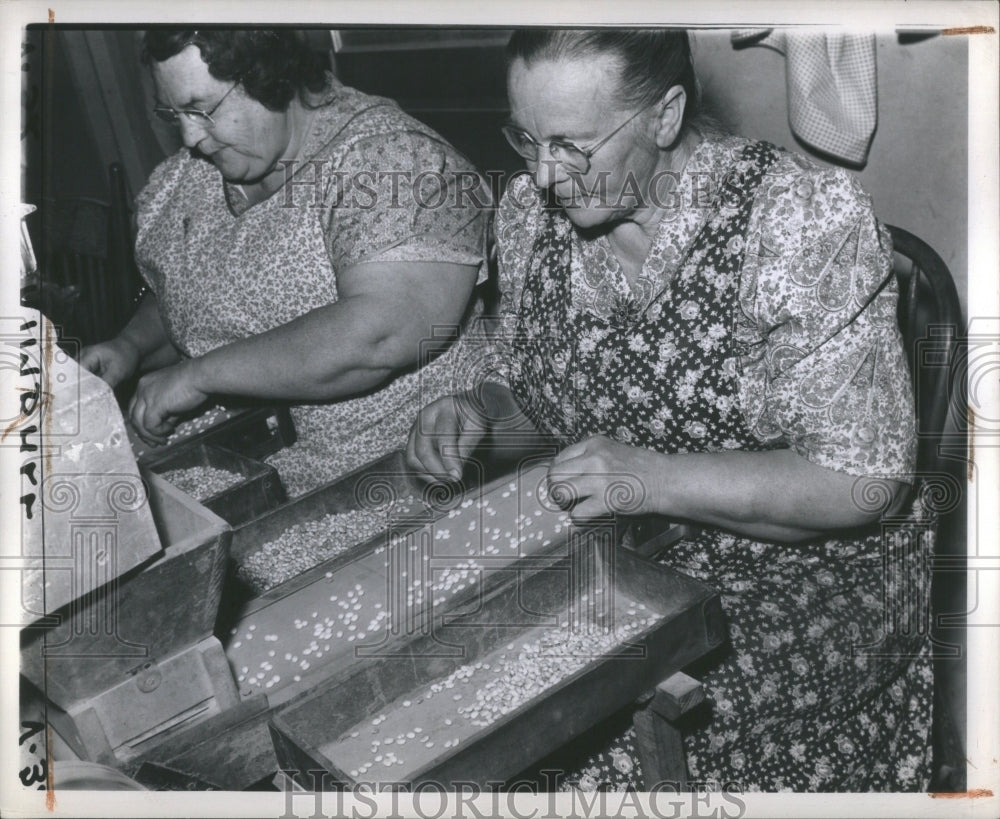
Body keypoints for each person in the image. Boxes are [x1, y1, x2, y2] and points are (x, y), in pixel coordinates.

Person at [407, 29, 933, 792]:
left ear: (664, 116)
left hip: (807, 575)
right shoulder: (530, 217)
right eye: (526, 138)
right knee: (450, 697)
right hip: (634, 551)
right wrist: (480, 412)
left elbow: (861, 483)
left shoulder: (793, 224)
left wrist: (653, 479)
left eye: (573, 144)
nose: (546, 175)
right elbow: (540, 401)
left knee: (586, 749)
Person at [81, 29, 490, 497]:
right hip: (256, 464)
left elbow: (380, 331)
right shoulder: (191, 177)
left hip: (403, 471)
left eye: (202, 108)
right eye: (174, 114)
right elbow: (188, 287)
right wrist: (131, 346)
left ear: (271, 76)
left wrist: (199, 375)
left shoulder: (391, 162)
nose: (191, 137)